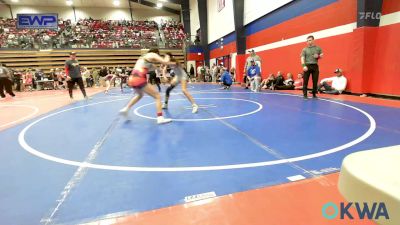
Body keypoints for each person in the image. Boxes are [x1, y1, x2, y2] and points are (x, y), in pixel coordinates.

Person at [119, 48, 174, 124]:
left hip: (132, 78)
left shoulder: (144, 58)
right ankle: (160, 118)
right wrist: (168, 56)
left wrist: (161, 68)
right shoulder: (152, 54)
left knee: (140, 95)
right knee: (157, 96)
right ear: (156, 53)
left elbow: (157, 69)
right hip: (139, 78)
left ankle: (125, 109)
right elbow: (165, 61)